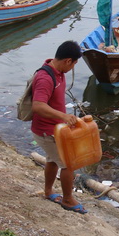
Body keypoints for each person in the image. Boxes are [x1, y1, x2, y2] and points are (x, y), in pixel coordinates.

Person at [31, 40, 87, 215]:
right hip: (46, 131)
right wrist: (63, 116)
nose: (73, 67)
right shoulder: (45, 77)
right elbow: (38, 105)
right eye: (75, 63)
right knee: (68, 165)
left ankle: (48, 192)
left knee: (52, 160)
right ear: (68, 61)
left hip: (55, 129)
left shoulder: (58, 71)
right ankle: (68, 199)